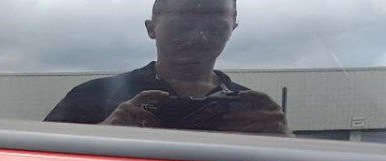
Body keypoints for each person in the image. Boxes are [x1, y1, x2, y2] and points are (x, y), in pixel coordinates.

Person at [44, 0, 290, 135]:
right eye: (182, 27)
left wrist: (283, 140)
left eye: (216, 28)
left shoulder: (256, 113)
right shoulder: (89, 98)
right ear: (151, 29)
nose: (199, 38)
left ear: (232, 30)